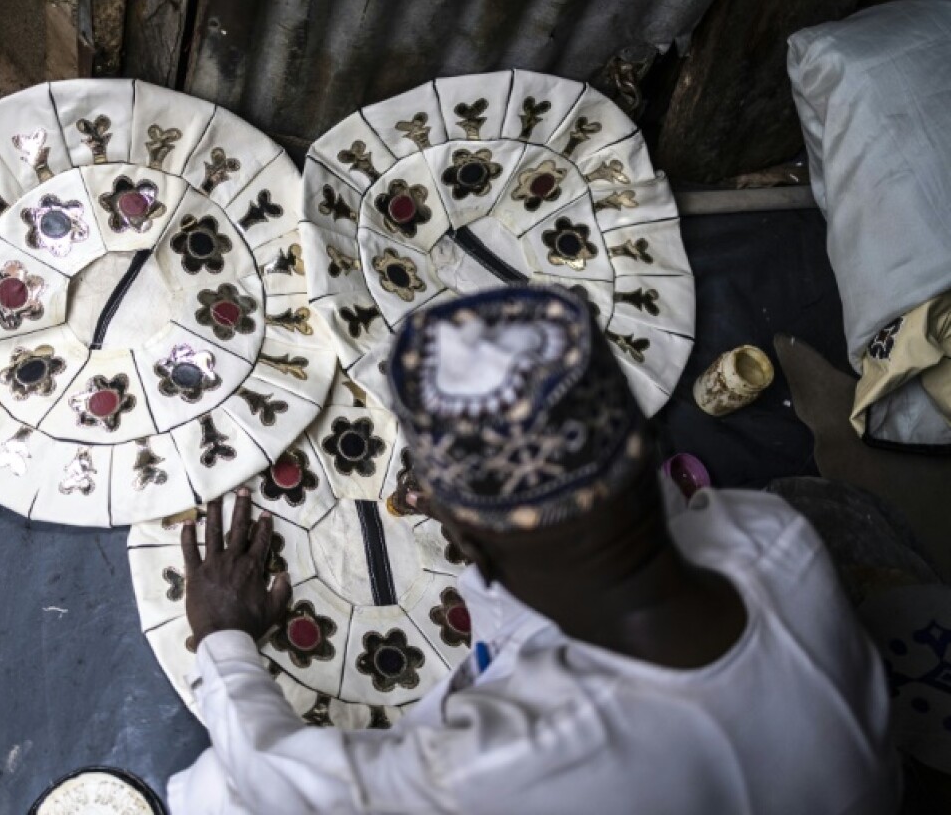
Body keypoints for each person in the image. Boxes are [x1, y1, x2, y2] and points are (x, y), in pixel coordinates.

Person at [167, 286, 900, 814]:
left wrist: (224, 637)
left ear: (473, 549)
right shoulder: (776, 536)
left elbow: (270, 784)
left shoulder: (498, 766)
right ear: (643, 447)